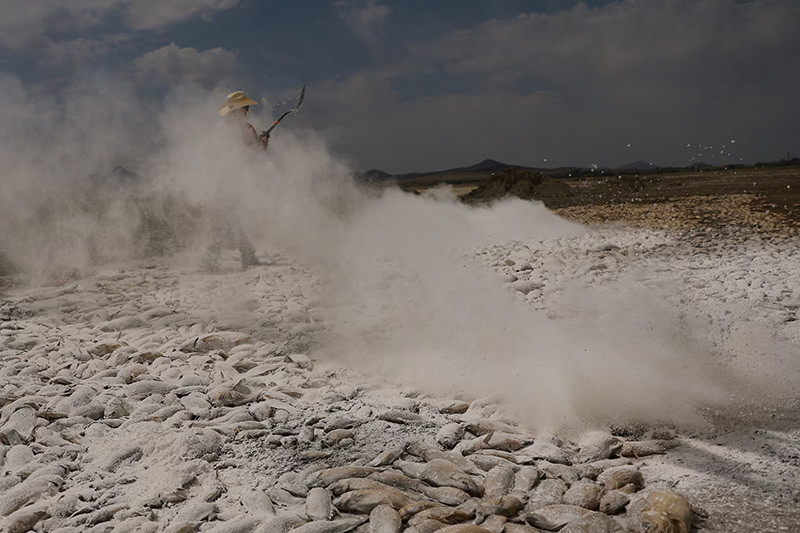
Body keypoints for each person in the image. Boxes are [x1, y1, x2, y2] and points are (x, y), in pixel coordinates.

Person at [202, 91, 268, 272]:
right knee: (239, 218)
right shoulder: (245, 128)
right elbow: (259, 150)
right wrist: (263, 139)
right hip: (235, 180)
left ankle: (210, 261)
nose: (247, 110)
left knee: (222, 220)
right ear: (241, 109)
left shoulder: (219, 127)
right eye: (245, 108)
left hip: (222, 180)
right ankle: (247, 257)